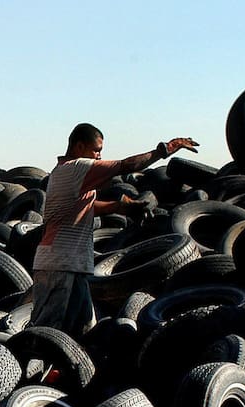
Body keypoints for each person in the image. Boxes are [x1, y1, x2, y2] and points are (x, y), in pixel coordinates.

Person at [28, 123, 199, 336]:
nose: (99, 156)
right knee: (46, 332)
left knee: (85, 330)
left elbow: (85, 207)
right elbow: (127, 165)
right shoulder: (76, 167)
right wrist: (165, 149)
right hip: (58, 265)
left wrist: (121, 207)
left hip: (73, 265)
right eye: (96, 150)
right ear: (79, 147)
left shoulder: (66, 174)